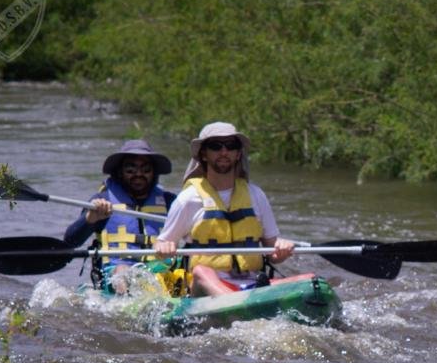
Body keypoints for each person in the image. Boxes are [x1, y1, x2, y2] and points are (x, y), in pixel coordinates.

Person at [154, 122, 294, 296]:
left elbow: (273, 254)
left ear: (238, 154)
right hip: (203, 289)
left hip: (252, 285)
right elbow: (161, 247)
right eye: (215, 146)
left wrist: (282, 248)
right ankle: (235, 302)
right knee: (201, 271)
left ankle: (246, 301)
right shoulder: (188, 199)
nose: (224, 152)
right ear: (203, 154)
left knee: (311, 280)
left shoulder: (256, 195)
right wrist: (164, 247)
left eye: (231, 146)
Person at [64, 139, 176, 291]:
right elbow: (71, 241)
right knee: (122, 270)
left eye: (146, 169)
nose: (138, 175)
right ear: (120, 172)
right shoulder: (102, 201)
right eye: (131, 169)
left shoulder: (169, 202)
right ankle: (127, 308)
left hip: (159, 271)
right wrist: (90, 219)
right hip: (115, 273)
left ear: (154, 172)